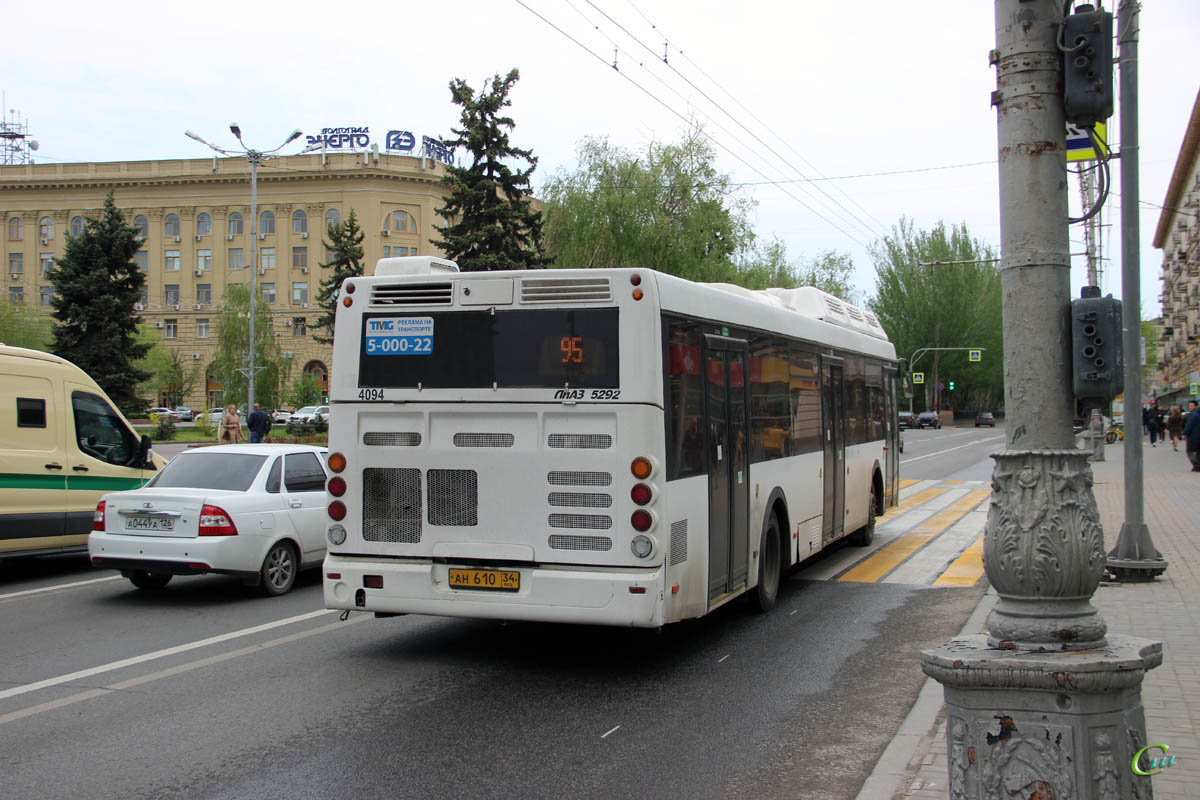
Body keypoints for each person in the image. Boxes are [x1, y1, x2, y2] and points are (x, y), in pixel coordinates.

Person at [1184, 400, 1200, 472]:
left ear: (1196, 406)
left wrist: (1185, 434)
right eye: (1189, 406)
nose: (1190, 407)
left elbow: (1189, 426)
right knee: (1198, 452)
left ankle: (1196, 465)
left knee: (1189, 451)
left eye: (1191, 406)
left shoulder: (1194, 414)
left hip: (1193, 437)